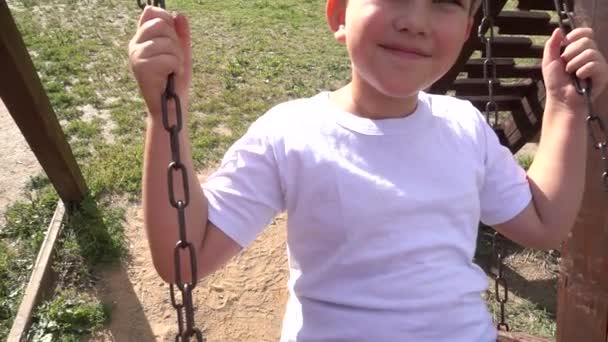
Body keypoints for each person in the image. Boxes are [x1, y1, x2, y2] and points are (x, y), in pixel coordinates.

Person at [128, 0, 608, 340]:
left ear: (465, 30)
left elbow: (544, 223)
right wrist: (165, 115)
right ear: (339, 15)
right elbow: (183, 259)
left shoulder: (466, 127)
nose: (416, 21)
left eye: (446, 2)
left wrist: (564, 106)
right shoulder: (291, 132)